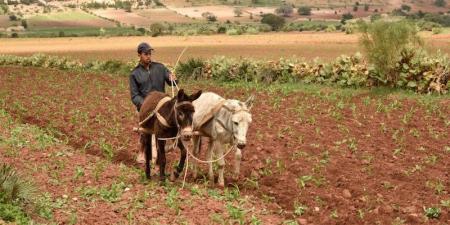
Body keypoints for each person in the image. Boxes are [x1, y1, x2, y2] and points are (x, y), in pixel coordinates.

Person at [129, 42, 178, 163]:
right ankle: (141, 151)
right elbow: (135, 96)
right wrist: (145, 104)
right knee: (145, 131)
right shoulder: (134, 74)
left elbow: (171, 81)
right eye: (146, 54)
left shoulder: (160, 67)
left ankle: (163, 150)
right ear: (139, 55)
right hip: (145, 107)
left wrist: (173, 78)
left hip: (162, 107)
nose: (148, 56)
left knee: (164, 128)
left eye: (150, 53)